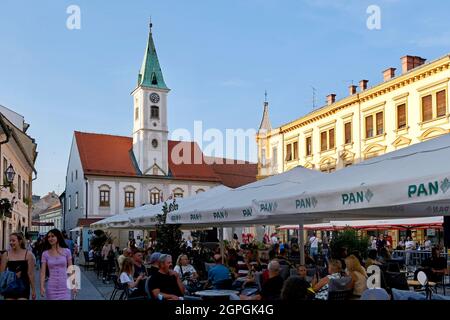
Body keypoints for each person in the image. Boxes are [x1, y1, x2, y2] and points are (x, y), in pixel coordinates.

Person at [40, 229, 75, 300]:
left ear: (58, 237)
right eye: (48, 237)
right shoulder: (45, 254)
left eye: (52, 236)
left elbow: (71, 269)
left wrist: (74, 285)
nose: (50, 238)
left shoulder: (67, 251)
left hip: (65, 286)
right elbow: (43, 273)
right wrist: (42, 286)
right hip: (51, 287)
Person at [0, 233, 36, 300]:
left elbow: (31, 274)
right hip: (10, 286)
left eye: (13, 241)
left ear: (20, 241)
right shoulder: (6, 254)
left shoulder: (28, 254)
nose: (11, 243)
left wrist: (33, 290)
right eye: (10, 241)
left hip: (23, 286)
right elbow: (2, 273)